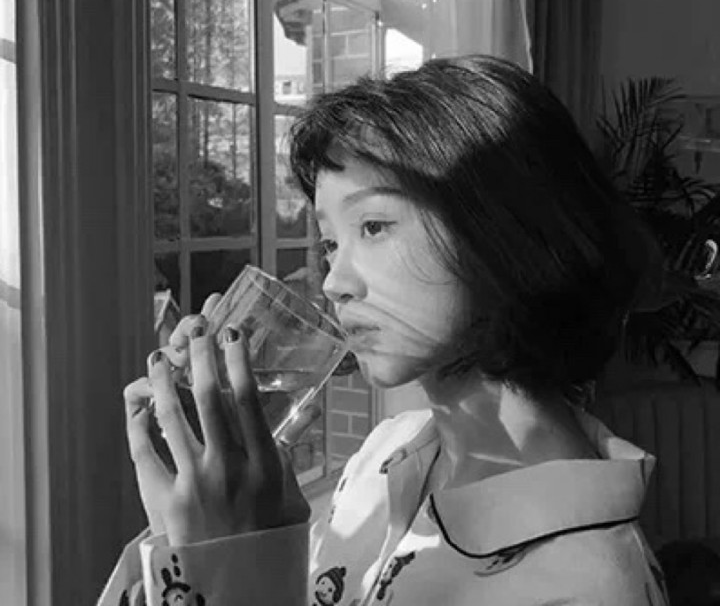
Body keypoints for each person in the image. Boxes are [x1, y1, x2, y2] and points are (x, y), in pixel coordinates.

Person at [99, 55, 669, 606]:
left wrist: (225, 564)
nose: (333, 282)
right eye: (330, 242)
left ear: (508, 232)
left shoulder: (585, 586)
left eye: (373, 226)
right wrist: (201, 528)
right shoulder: (385, 454)